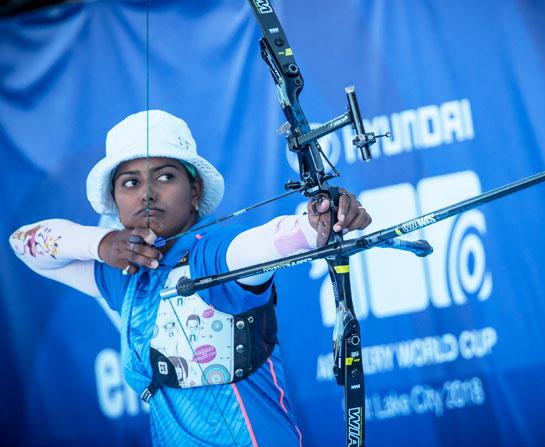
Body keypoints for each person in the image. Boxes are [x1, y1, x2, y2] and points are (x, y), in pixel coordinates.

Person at [9, 110, 371, 446]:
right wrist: (100, 243)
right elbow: (24, 246)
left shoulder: (211, 253)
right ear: (115, 201)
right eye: (130, 182)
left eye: (165, 177)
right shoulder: (126, 275)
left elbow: (262, 244)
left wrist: (316, 223)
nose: (147, 193)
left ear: (194, 190)